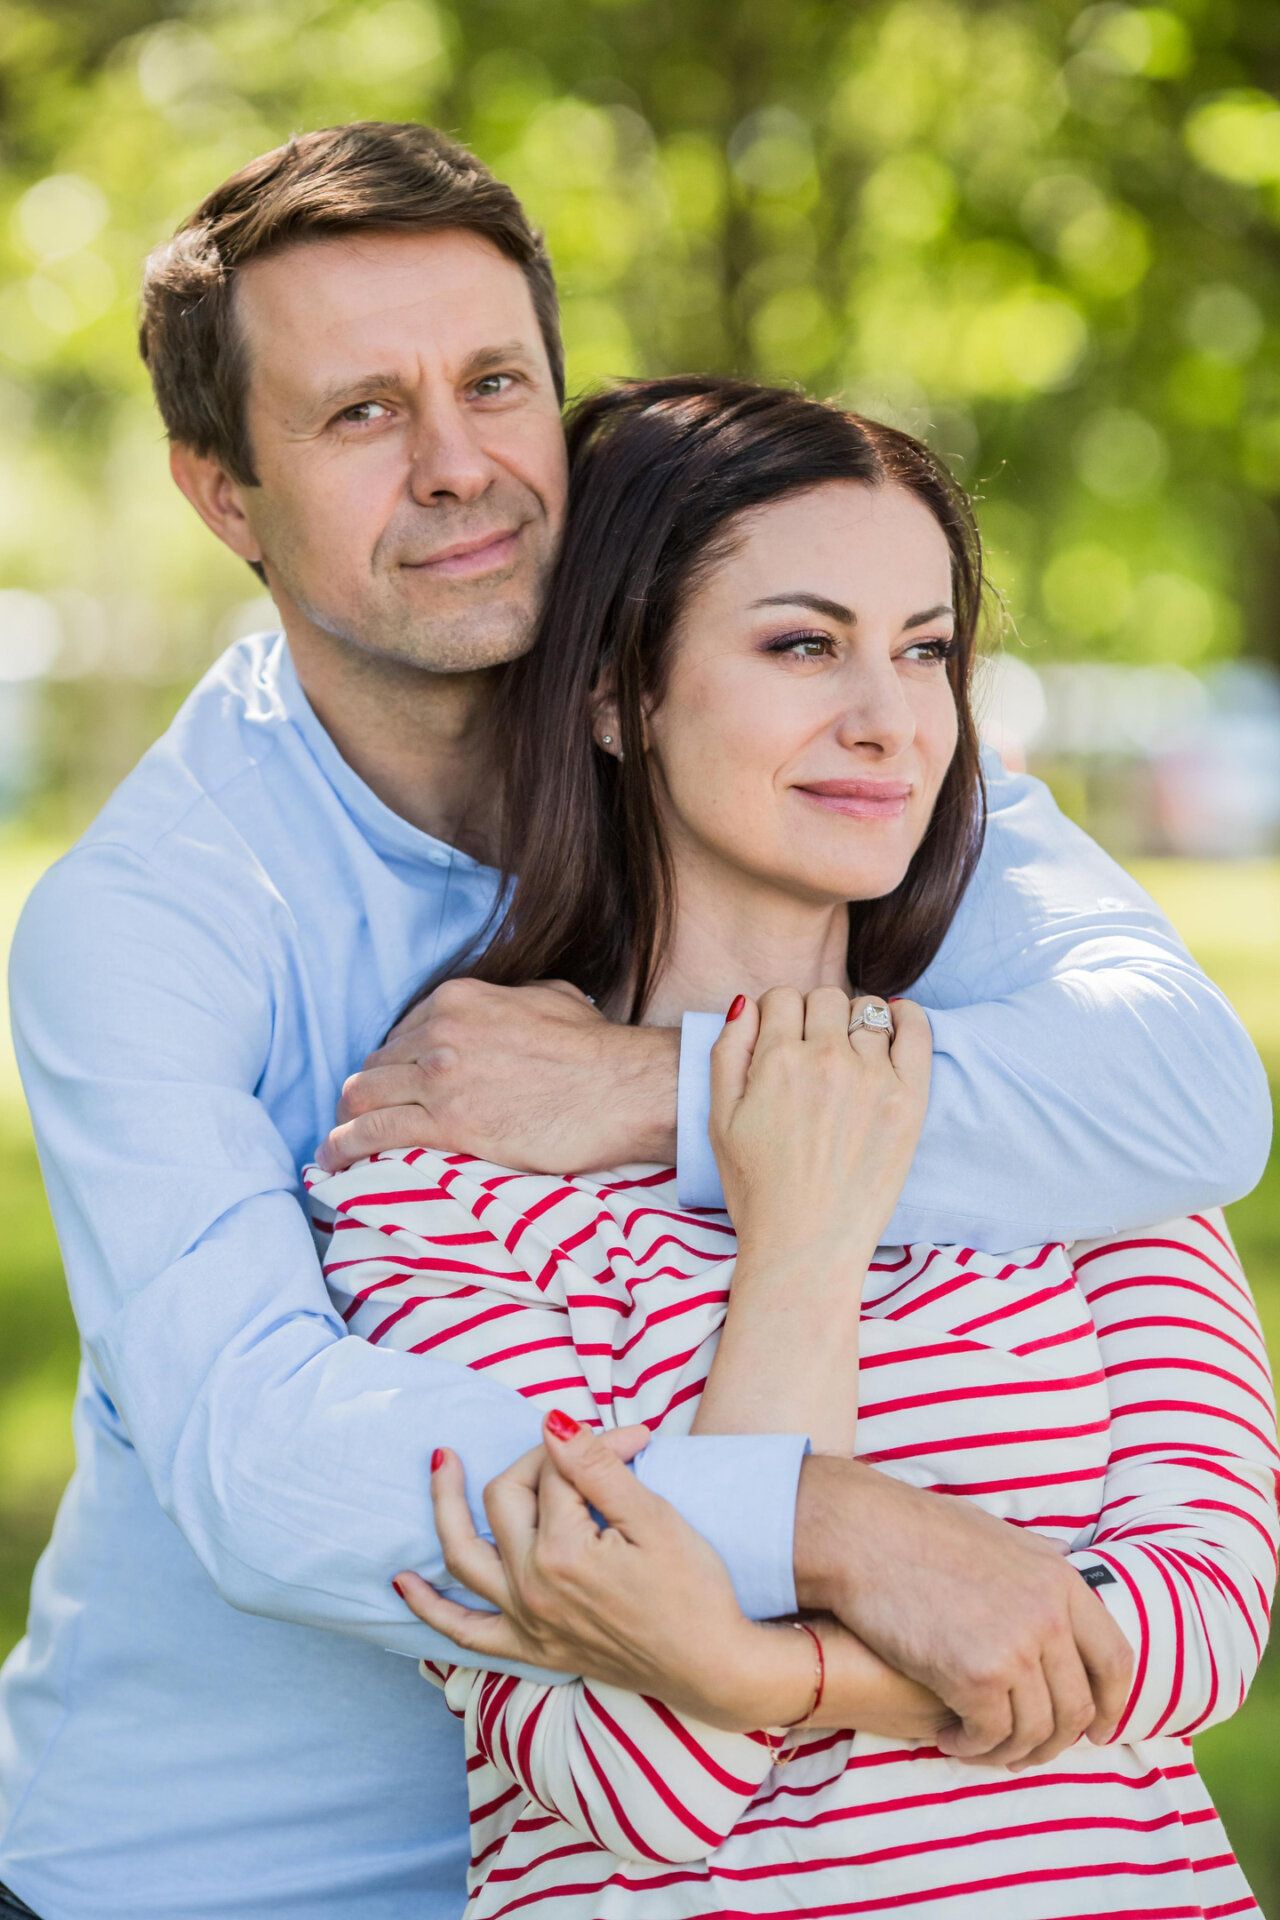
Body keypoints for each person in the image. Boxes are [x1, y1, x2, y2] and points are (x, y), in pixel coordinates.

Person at [0, 121, 1268, 1920]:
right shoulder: (160, 918)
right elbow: (262, 1458)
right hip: (245, 1874)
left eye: (494, 383)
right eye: (360, 413)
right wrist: (828, 1524)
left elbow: (1190, 1099)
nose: (459, 465)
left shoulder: (828, 762)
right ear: (225, 497)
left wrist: (653, 1093)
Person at [307, 377, 1276, 1918]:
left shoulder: (1056, 1115)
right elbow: (643, 1783)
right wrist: (806, 1244)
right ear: (617, 692)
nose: (893, 722)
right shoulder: (438, 1183)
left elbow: (1205, 1624)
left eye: (927, 651)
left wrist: (766, 1666)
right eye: (805, 645)